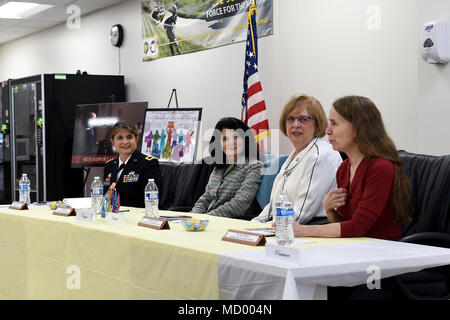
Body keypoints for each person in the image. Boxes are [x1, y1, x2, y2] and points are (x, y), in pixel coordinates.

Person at [292, 95, 412, 240]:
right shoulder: (344, 168)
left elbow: (357, 227)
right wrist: (329, 209)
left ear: (357, 129)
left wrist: (303, 230)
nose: (328, 131)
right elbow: (345, 226)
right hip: (354, 247)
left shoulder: (381, 168)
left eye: (334, 124)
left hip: (383, 252)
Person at [252, 93, 342, 224]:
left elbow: (301, 213)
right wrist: (252, 225)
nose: (295, 124)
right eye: (290, 119)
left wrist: (265, 228)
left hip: (311, 228)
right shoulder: (296, 154)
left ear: (317, 124)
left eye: (303, 119)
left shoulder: (320, 155)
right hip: (284, 226)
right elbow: (273, 206)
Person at [191, 117, 263, 218]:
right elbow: (206, 198)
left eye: (236, 137)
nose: (231, 142)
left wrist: (206, 218)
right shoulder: (218, 167)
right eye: (225, 139)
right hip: (208, 220)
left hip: (231, 224)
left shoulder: (254, 166)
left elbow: (240, 204)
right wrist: (193, 217)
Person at [103, 121, 162, 208]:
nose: (125, 142)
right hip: (112, 216)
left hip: (136, 216)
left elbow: (151, 202)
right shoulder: (109, 165)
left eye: (129, 137)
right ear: (112, 141)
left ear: (136, 139)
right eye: (120, 138)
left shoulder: (148, 164)